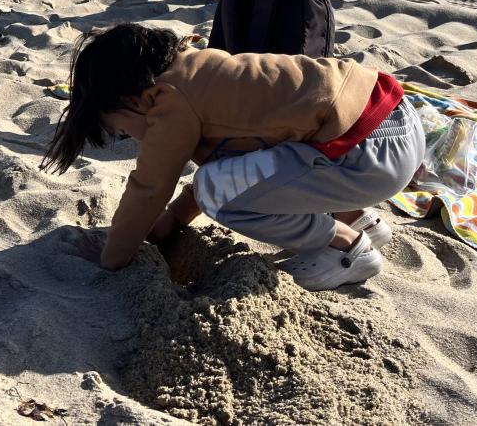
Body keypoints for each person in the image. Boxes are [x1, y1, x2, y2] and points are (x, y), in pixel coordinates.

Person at [45, 23, 424, 290]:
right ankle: (360, 219)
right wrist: (175, 218)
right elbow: (244, 166)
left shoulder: (166, 102)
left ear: (132, 100)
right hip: (396, 122)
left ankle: (347, 248)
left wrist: (112, 256)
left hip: (370, 157)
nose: (131, 137)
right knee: (256, 167)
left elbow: (150, 186)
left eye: (121, 129)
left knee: (217, 193)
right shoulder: (200, 71)